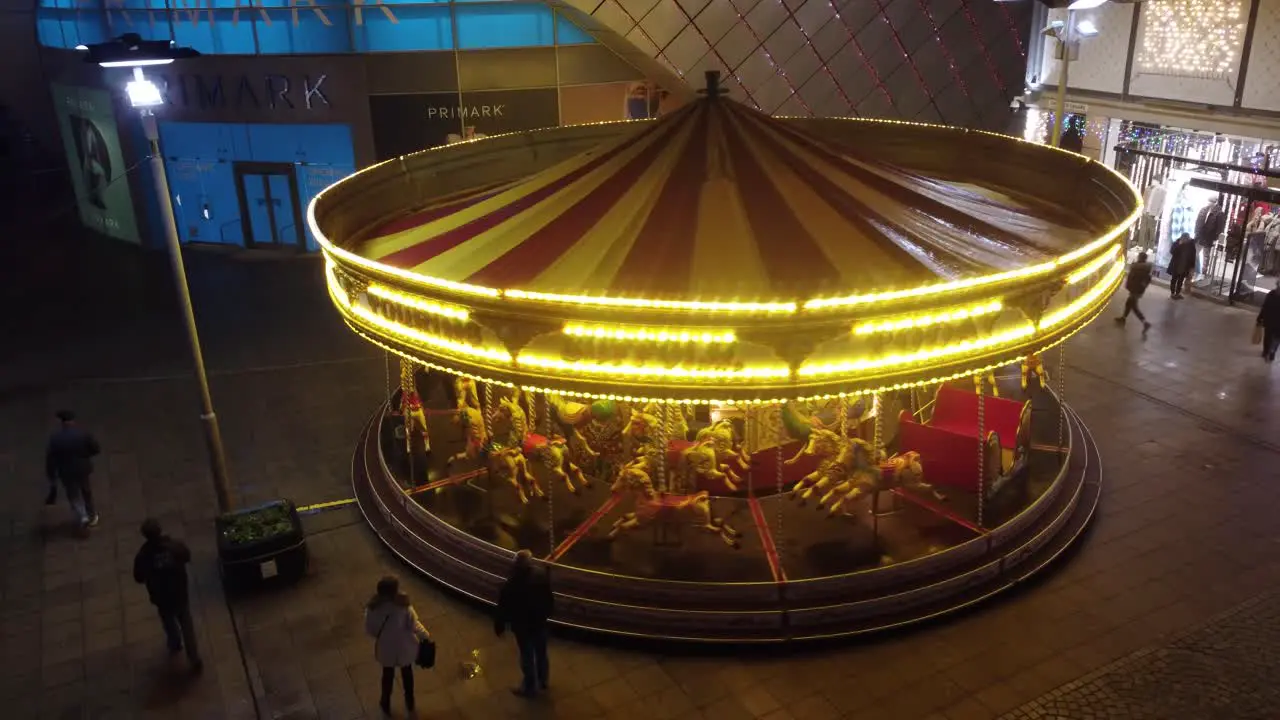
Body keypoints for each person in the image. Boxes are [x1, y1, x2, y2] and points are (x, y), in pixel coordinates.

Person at [133, 519, 202, 671]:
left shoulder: (143, 556)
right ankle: (194, 658)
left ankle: (175, 642)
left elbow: (138, 577)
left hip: (161, 597)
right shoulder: (174, 547)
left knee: (168, 620)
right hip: (179, 592)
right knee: (186, 624)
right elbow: (187, 556)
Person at [364, 576, 430, 716]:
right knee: (407, 674)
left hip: (386, 648)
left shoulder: (372, 608)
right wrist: (425, 635)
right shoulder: (403, 606)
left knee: (387, 675)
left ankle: (385, 702)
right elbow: (413, 625)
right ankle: (410, 702)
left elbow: (370, 629)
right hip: (404, 647)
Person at [494, 550, 553, 698]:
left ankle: (529, 687)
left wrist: (499, 626)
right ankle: (543, 679)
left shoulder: (511, 584)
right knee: (541, 653)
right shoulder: (540, 576)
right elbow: (548, 598)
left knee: (527, 656)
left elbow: (503, 607)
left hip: (522, 627)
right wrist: (546, 614)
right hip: (539, 623)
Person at [45, 410, 101, 528]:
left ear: (61, 422)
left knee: (73, 494)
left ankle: (82, 516)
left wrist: (51, 476)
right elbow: (96, 449)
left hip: (66, 472)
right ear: (73, 421)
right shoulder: (83, 434)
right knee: (86, 492)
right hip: (82, 468)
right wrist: (85, 455)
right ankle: (92, 516)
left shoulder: (55, 439)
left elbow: (51, 459)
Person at [1115, 251, 1154, 332]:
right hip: (1138, 289)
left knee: (1134, 307)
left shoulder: (1136, 267)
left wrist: (1130, 286)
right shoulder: (1145, 268)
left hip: (1135, 289)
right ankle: (1123, 318)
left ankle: (1145, 323)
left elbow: (1132, 278)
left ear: (1140, 257)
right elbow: (1147, 280)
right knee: (1129, 303)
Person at [1168, 233, 1197, 299]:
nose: (1185, 240)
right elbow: (1172, 251)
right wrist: (1179, 245)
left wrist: (1192, 267)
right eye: (1184, 239)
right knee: (1174, 280)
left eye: (1186, 239)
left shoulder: (1191, 245)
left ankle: (1177, 293)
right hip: (1176, 265)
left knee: (1180, 281)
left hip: (1185, 266)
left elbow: (1193, 256)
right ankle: (1172, 293)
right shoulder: (1177, 243)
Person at [1259, 280, 1280, 363]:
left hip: (1275, 322)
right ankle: (1267, 352)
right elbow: (1265, 307)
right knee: (1268, 337)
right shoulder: (1271, 294)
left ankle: (1271, 352)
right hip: (1270, 321)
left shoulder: (1271, 294)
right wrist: (1260, 317)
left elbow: (1265, 307)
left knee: (1276, 339)